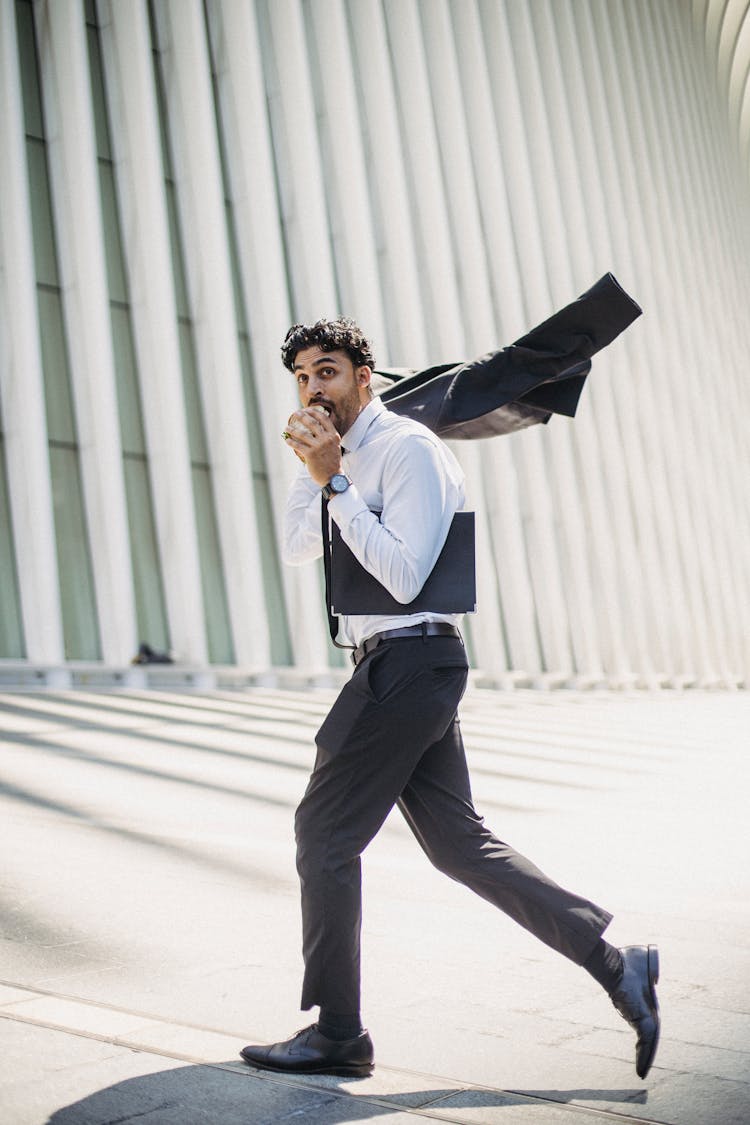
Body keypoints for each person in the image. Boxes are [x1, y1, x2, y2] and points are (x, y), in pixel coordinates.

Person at [240, 317, 660, 1081]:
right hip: (391, 665)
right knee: (459, 844)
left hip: (411, 660)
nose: (312, 388)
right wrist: (317, 473)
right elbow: (302, 548)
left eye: (326, 371)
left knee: (325, 836)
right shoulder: (341, 456)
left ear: (364, 375)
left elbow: (403, 576)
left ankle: (337, 1032)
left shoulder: (408, 451)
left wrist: (336, 482)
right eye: (301, 376)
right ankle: (616, 965)